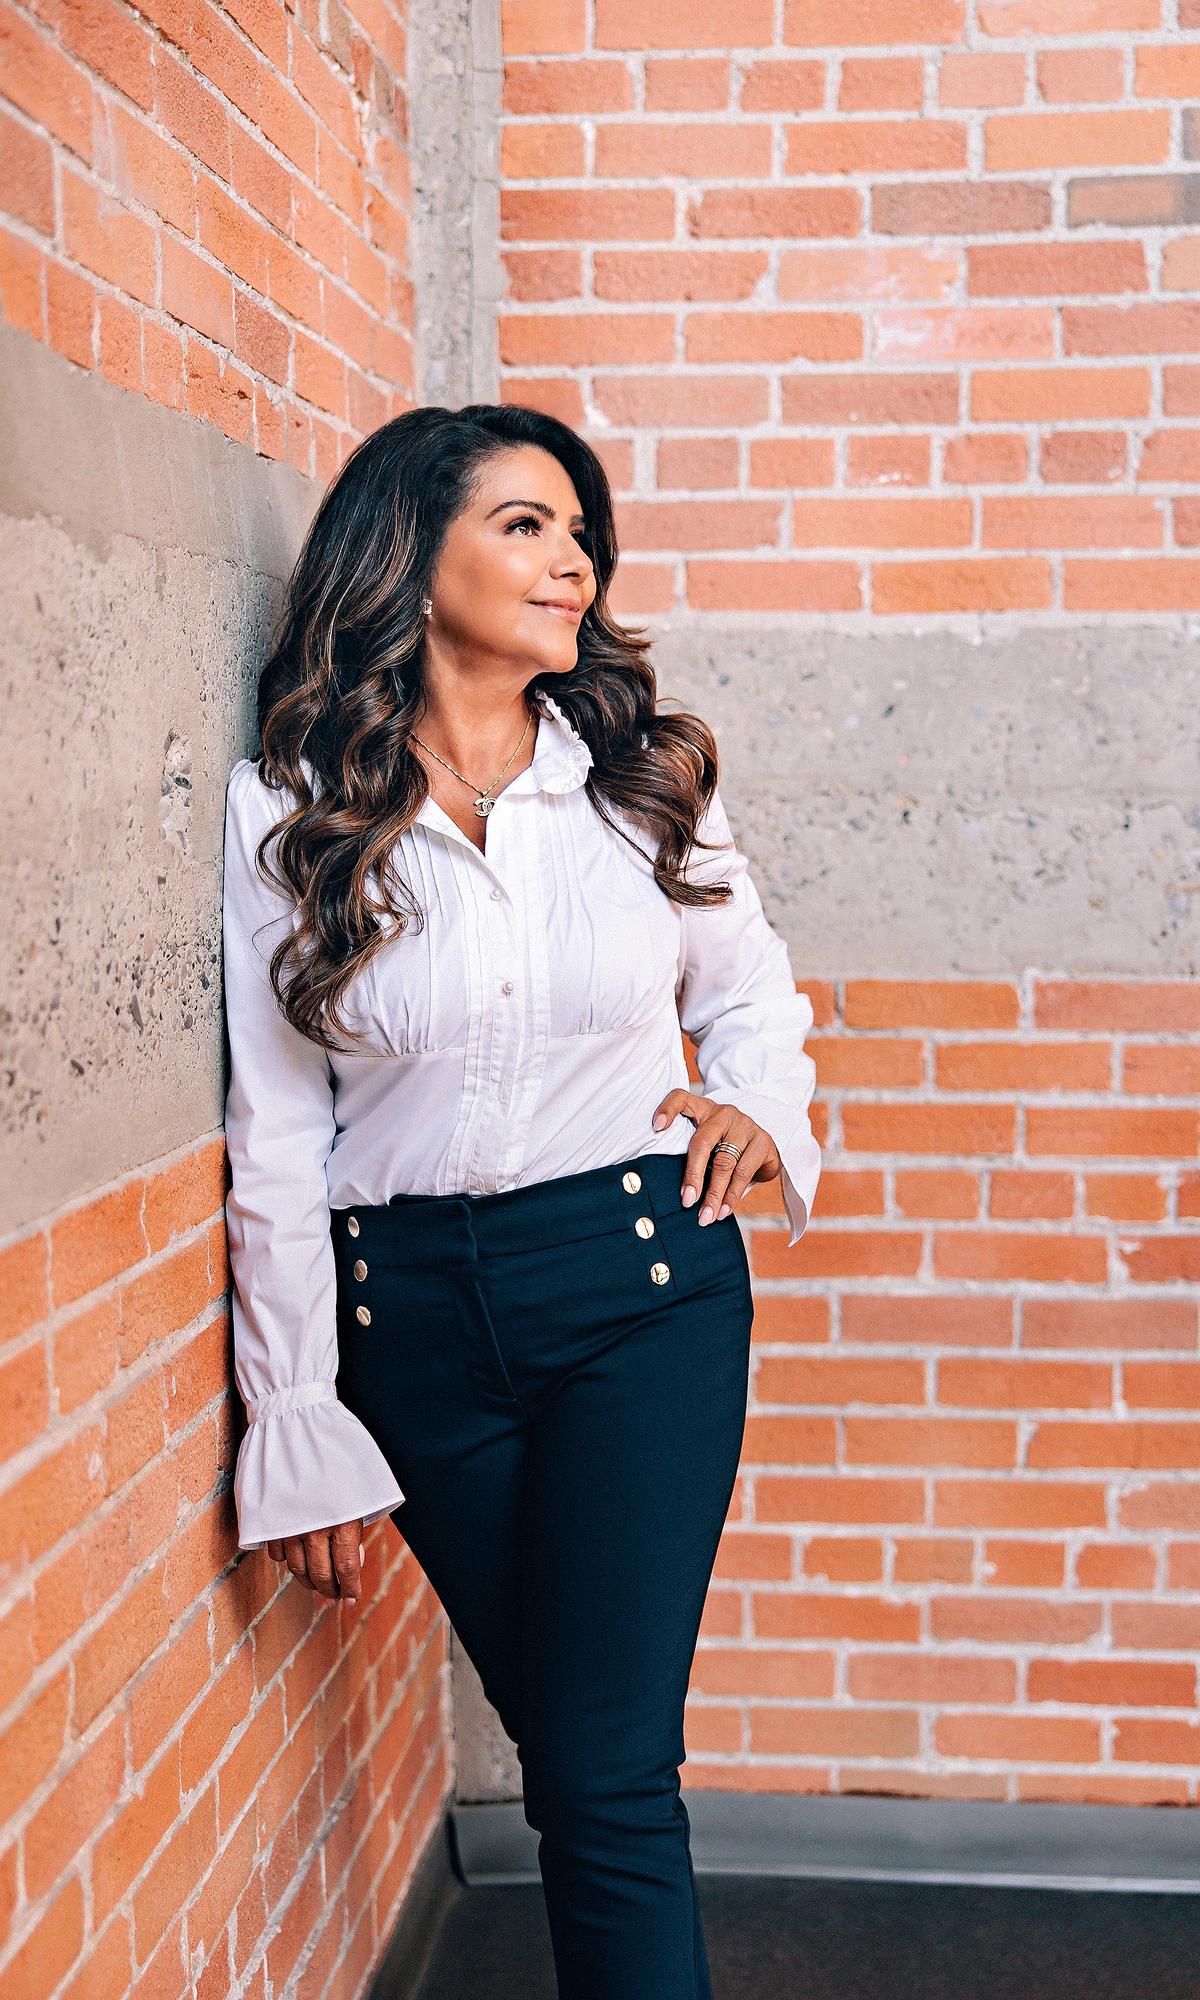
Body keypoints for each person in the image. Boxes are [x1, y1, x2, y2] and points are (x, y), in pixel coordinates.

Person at [220, 401, 821, 1999]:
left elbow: (752, 991)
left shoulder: (639, 783)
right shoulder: (292, 803)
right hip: (404, 1325)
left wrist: (762, 1108)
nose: (573, 561)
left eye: (577, 532)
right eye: (524, 525)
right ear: (411, 558)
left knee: (609, 1776)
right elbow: (275, 1127)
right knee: (574, 1768)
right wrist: (297, 1413)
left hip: (641, 1294)